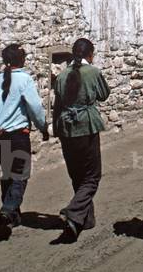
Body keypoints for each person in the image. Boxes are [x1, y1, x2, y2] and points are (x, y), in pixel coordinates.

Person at [0, 43, 49, 229]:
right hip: (19, 136)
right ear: (21, 60)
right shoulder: (25, 80)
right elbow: (35, 107)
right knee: (20, 174)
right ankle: (8, 209)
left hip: (0, 136)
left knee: (8, 174)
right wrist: (43, 127)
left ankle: (12, 217)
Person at [52, 38, 110, 242]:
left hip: (67, 129)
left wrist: (56, 130)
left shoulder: (61, 76)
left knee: (77, 174)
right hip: (87, 126)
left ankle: (85, 219)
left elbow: (57, 105)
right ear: (90, 55)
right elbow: (103, 94)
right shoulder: (93, 72)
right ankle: (74, 212)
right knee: (92, 176)